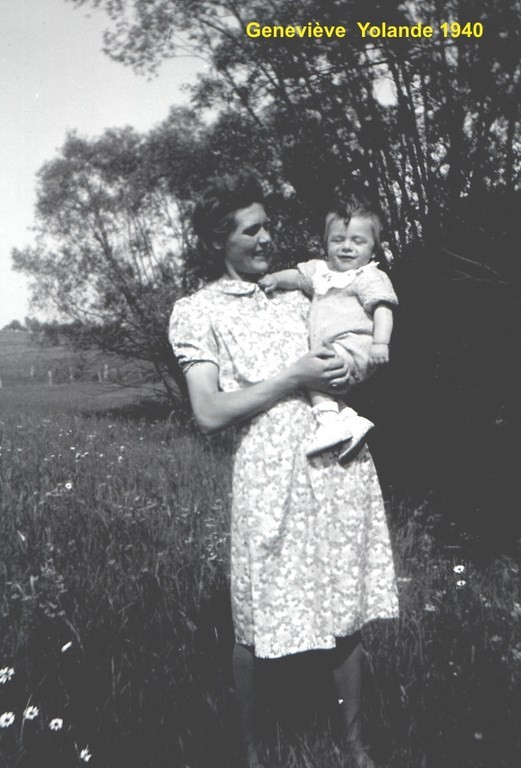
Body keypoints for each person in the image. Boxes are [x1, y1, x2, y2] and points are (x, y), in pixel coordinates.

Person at [168, 173, 398, 768]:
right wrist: (293, 378)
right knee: (256, 614)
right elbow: (209, 412)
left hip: (337, 458)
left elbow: (357, 343)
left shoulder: (300, 294)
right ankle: (252, 753)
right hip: (269, 472)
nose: (268, 237)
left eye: (268, 224)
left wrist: (356, 370)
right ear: (222, 239)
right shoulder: (199, 311)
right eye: (254, 229)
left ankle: (354, 746)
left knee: (344, 607)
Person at [259, 198, 398, 459]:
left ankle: (330, 424)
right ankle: (350, 420)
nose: (347, 247)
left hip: (355, 347)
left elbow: (383, 309)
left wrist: (381, 343)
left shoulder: (367, 275)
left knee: (309, 373)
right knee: (313, 377)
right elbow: (298, 278)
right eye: (338, 240)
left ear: (374, 249)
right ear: (326, 243)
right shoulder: (321, 272)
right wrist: (275, 279)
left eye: (358, 241)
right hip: (333, 348)